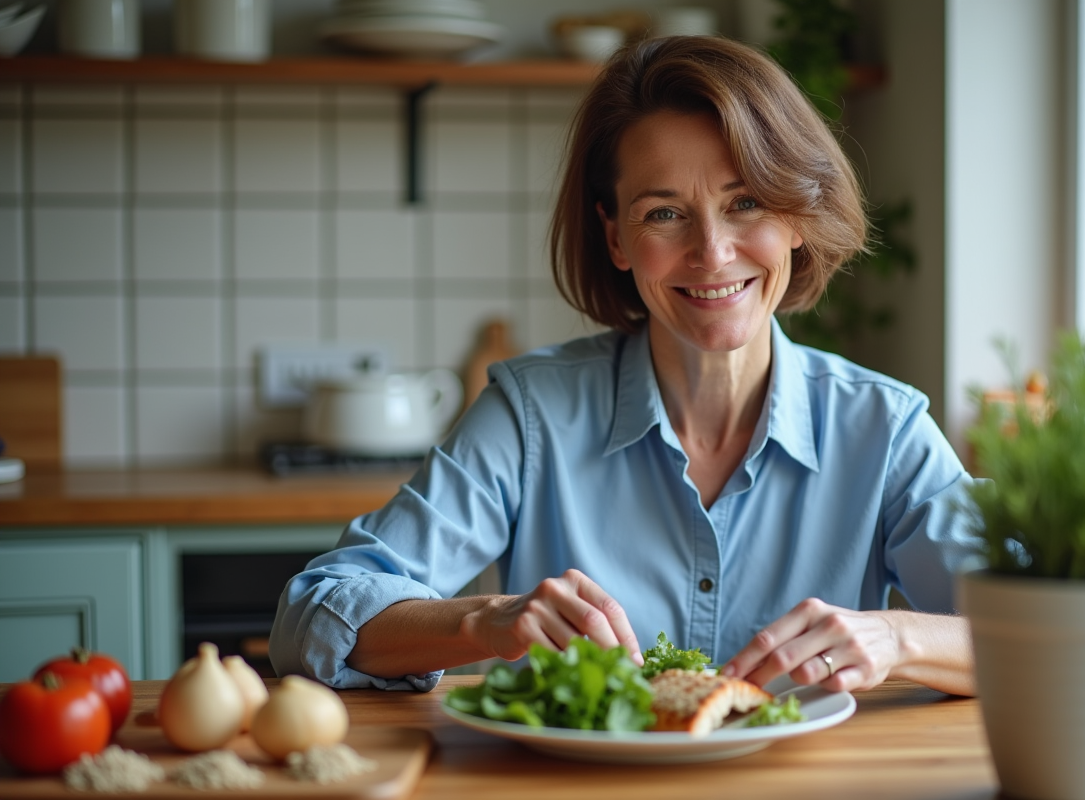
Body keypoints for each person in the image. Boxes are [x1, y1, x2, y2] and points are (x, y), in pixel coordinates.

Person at [270, 35, 981, 698]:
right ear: (615, 237)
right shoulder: (530, 415)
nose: (712, 252)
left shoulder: (883, 429)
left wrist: (895, 636)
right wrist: (484, 621)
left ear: (796, 218)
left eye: (746, 203)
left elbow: (1047, 633)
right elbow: (312, 611)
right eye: (665, 214)